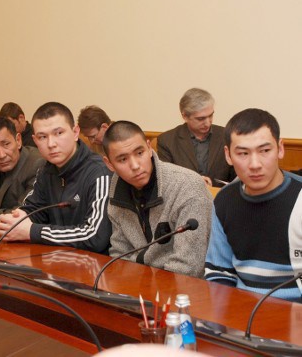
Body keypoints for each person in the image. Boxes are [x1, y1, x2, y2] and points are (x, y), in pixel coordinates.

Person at [205, 109, 302, 301]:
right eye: (243, 153)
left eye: (265, 151)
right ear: (228, 155)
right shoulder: (225, 200)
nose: (255, 164)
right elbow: (219, 273)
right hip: (242, 310)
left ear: (280, 149)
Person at [0, 102, 112, 254]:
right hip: (55, 259)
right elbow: (34, 209)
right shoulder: (45, 170)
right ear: (35, 140)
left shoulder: (99, 172)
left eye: (59, 133)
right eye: (42, 137)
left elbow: (96, 236)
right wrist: (17, 219)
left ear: (75, 132)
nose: (51, 144)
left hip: (95, 267)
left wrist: (33, 231)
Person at [102, 120, 212, 278]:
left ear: (149, 147)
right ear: (109, 164)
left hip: (184, 288)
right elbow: (119, 254)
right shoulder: (117, 185)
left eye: (139, 153)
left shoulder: (187, 186)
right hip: (138, 285)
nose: (135, 165)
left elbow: (189, 267)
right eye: (122, 160)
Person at [157, 88, 235, 187]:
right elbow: (166, 181)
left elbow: (237, 177)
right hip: (185, 199)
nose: (208, 123)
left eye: (210, 116)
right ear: (185, 116)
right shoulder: (167, 141)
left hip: (221, 199)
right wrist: (194, 183)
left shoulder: (226, 135)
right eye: (201, 119)